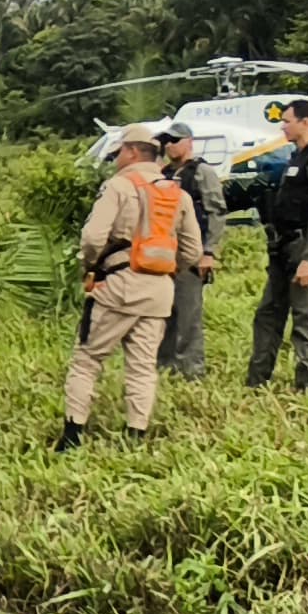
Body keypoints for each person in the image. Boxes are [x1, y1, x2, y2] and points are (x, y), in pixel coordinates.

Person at [60, 125, 203, 448]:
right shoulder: (177, 193)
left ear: (133, 151)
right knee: (142, 366)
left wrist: (91, 265)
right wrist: (167, 270)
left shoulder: (118, 186)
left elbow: (93, 238)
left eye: (119, 152)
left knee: (87, 360)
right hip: (159, 292)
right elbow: (193, 251)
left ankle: (72, 435)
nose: (116, 159)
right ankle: (136, 434)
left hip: (118, 287)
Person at [245, 100, 308, 391]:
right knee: (268, 314)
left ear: (305, 122)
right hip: (282, 248)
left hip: (302, 247)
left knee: (304, 317)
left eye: (286, 121)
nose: (283, 126)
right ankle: (257, 380)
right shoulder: (296, 157)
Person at [157, 122, 228, 381]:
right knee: (163, 315)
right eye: (166, 141)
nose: (169, 145)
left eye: (175, 140)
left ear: (189, 142)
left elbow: (216, 212)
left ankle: (192, 372)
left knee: (189, 316)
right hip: (162, 256)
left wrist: (209, 252)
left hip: (190, 255)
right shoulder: (162, 174)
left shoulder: (201, 172)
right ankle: (164, 368)